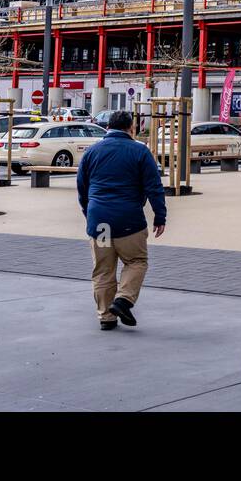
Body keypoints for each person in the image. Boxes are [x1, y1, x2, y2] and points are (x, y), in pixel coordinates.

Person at [76, 109, 166, 331]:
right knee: (136, 261)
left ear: (108, 127)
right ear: (131, 128)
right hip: (129, 220)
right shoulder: (139, 151)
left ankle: (106, 317)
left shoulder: (92, 152)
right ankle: (123, 299)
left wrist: (90, 213)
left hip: (100, 221)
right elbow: (154, 187)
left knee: (103, 269)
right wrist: (160, 216)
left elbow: (82, 188)